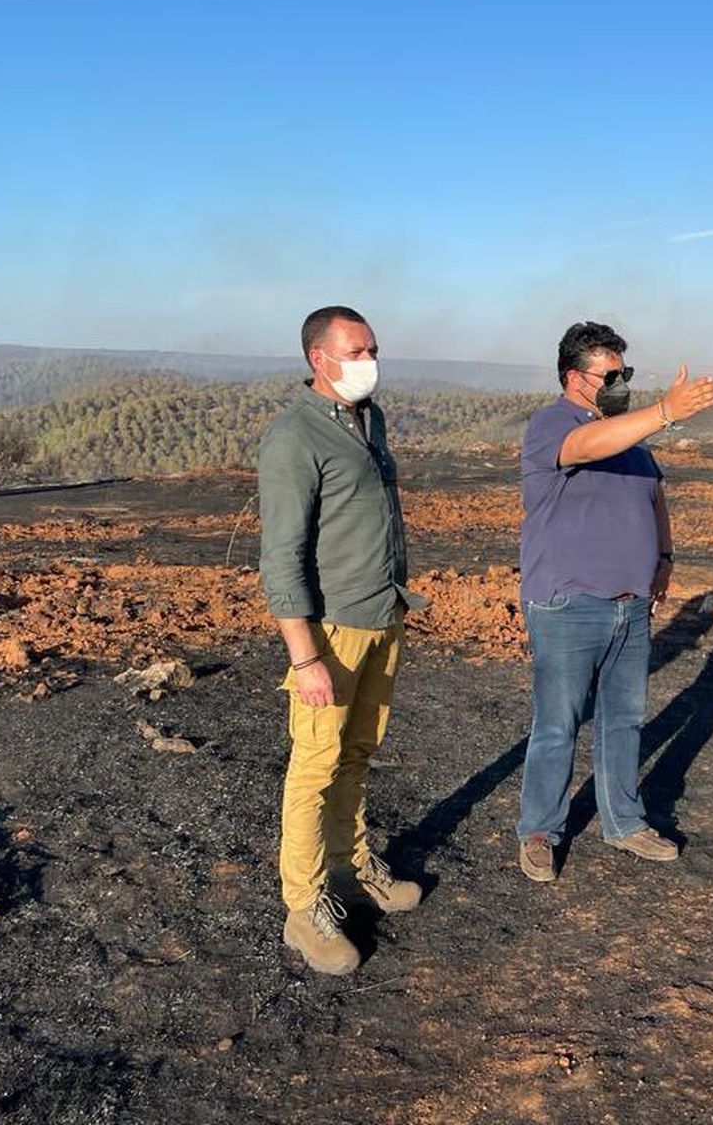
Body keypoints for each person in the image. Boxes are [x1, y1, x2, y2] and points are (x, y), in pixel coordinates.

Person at [515, 321, 713, 882]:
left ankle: (624, 821)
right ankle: (540, 830)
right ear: (573, 377)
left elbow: (654, 498)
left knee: (624, 719)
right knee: (558, 723)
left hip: (630, 606)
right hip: (568, 603)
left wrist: (665, 559)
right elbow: (583, 448)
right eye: (611, 374)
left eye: (624, 372)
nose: (620, 382)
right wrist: (665, 411)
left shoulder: (630, 438)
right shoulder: (553, 425)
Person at [257, 305, 425, 976]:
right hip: (329, 632)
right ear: (318, 359)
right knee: (314, 769)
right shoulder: (292, 439)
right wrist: (306, 657)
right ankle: (304, 909)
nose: (369, 363)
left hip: (381, 617)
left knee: (357, 752)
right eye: (356, 352)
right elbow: (281, 558)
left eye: (373, 349)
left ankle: (353, 868)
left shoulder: (369, 419)